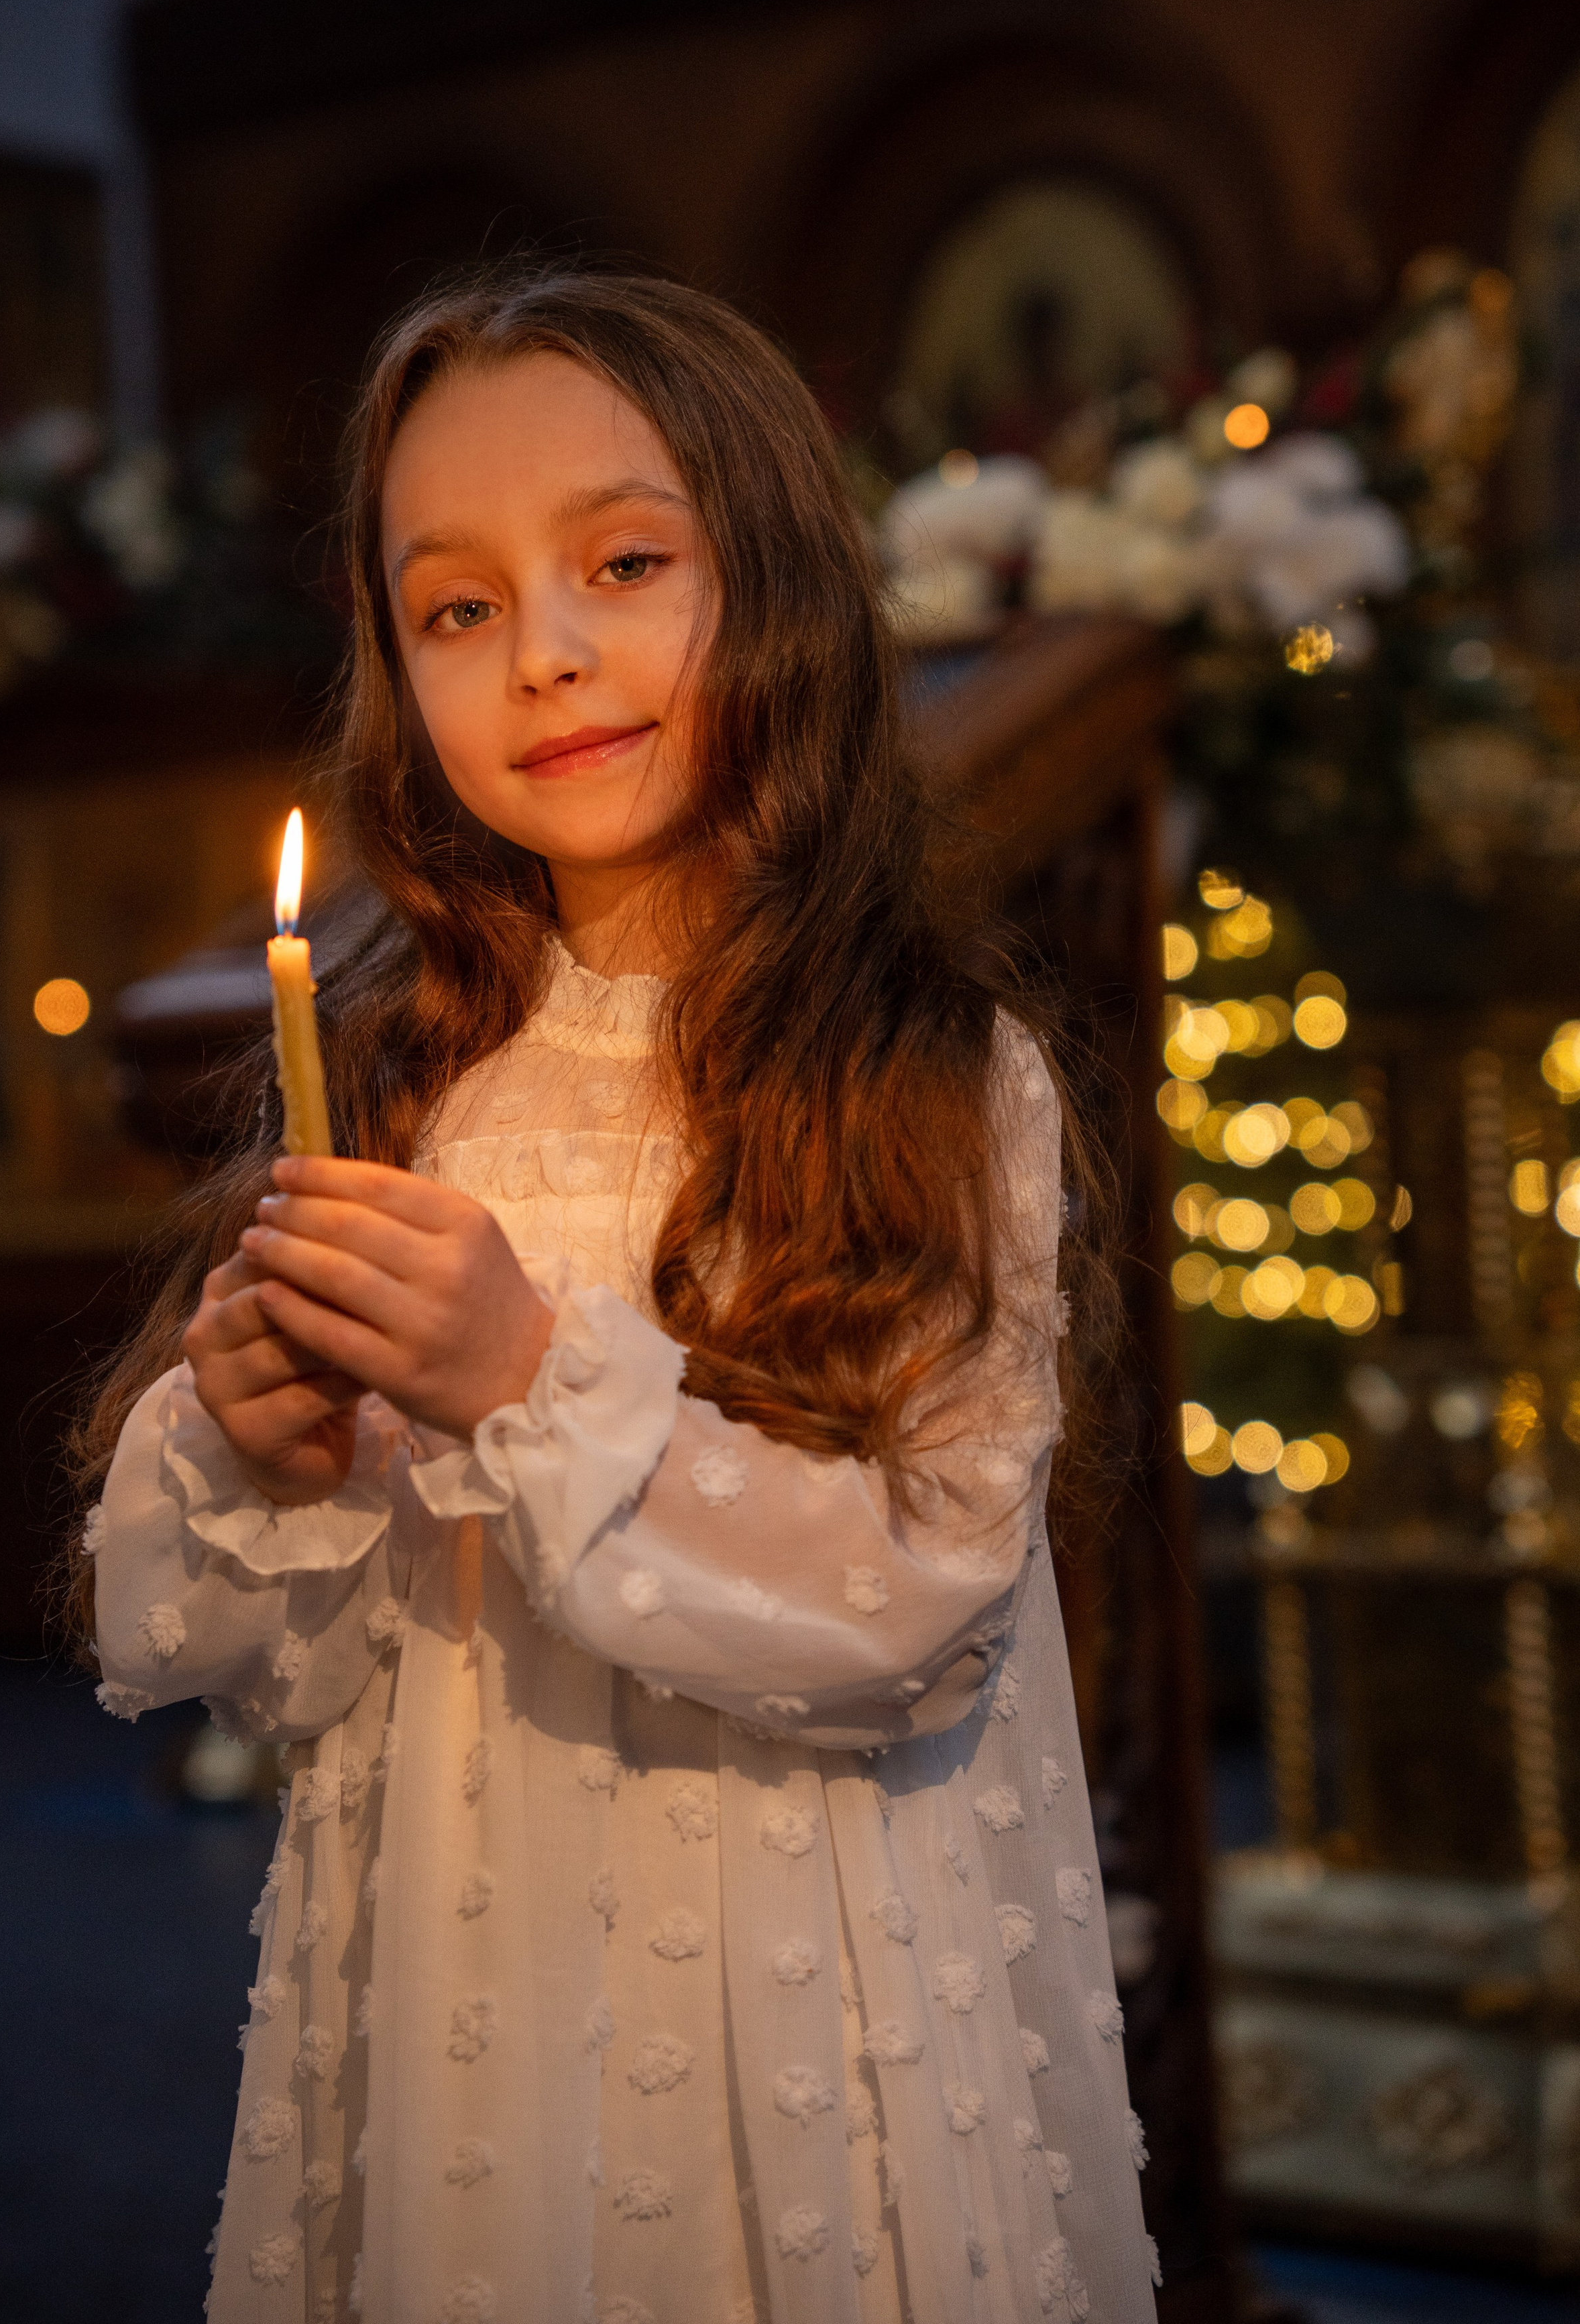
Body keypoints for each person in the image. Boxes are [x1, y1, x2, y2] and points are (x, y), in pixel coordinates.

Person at [69, 270, 1157, 2324]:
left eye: (627, 563)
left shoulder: (929, 1072)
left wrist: (524, 1375)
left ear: (780, 582)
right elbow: (230, 1665)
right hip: (459, 1983)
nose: (546, 657)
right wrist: (262, 1452)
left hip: (799, 1992)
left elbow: (913, 1614)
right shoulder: (396, 1083)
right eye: (456, 608)